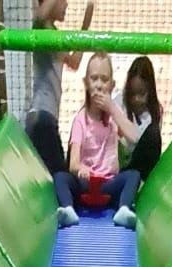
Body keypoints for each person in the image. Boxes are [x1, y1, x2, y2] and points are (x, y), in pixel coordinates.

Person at [53, 53, 143, 229]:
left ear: (112, 85)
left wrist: (112, 110)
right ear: (86, 83)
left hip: (108, 185)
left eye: (104, 79)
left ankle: (123, 209)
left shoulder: (114, 117)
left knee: (134, 175)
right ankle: (68, 209)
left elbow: (135, 137)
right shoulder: (81, 120)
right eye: (94, 79)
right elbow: (73, 164)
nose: (99, 85)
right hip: (86, 185)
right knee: (60, 177)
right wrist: (81, 169)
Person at [24, 0, 95, 179]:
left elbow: (74, 62)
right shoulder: (40, 29)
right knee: (60, 176)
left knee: (52, 176)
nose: (67, 5)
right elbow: (40, 15)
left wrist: (85, 26)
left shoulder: (54, 35)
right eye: (62, 1)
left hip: (48, 117)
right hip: (41, 116)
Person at [114, 55, 162, 183]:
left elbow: (149, 147)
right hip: (122, 167)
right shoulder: (119, 104)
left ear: (150, 90)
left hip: (141, 166)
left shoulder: (155, 111)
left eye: (141, 93)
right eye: (132, 94)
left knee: (153, 133)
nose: (136, 99)